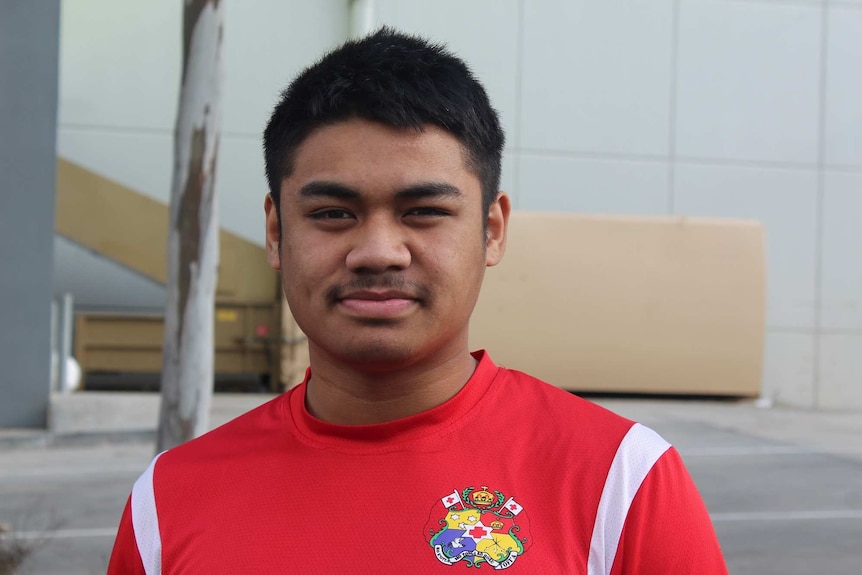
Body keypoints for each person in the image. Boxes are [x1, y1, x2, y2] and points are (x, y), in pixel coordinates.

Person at [108, 28, 728, 574]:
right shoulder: (167, 503)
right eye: (332, 213)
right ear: (276, 232)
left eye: (425, 212)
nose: (378, 251)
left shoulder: (620, 482)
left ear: (492, 230)